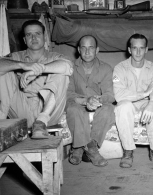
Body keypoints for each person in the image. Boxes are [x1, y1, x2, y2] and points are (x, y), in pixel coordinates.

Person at [0, 20, 73, 139]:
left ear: (44, 37)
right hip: (21, 112)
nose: (33, 37)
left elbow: (68, 67)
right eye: (29, 35)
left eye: (38, 34)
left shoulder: (55, 57)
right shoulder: (16, 57)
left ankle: (40, 122)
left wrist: (39, 69)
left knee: (60, 71)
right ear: (24, 40)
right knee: (2, 71)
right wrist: (23, 65)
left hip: (49, 113)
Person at [113, 33, 153, 168]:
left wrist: (152, 103)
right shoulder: (120, 68)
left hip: (146, 103)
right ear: (129, 49)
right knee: (123, 107)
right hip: (128, 102)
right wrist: (144, 93)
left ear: (146, 49)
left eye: (141, 48)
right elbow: (119, 95)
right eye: (134, 48)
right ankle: (128, 151)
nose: (138, 52)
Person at [66, 35, 115, 167]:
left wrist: (96, 100)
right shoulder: (69, 68)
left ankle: (89, 146)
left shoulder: (106, 68)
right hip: (77, 102)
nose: (87, 52)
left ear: (97, 50)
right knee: (73, 109)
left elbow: (110, 95)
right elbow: (67, 93)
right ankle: (81, 147)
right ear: (78, 50)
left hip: (97, 103)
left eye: (91, 48)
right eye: (84, 48)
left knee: (109, 109)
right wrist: (84, 101)